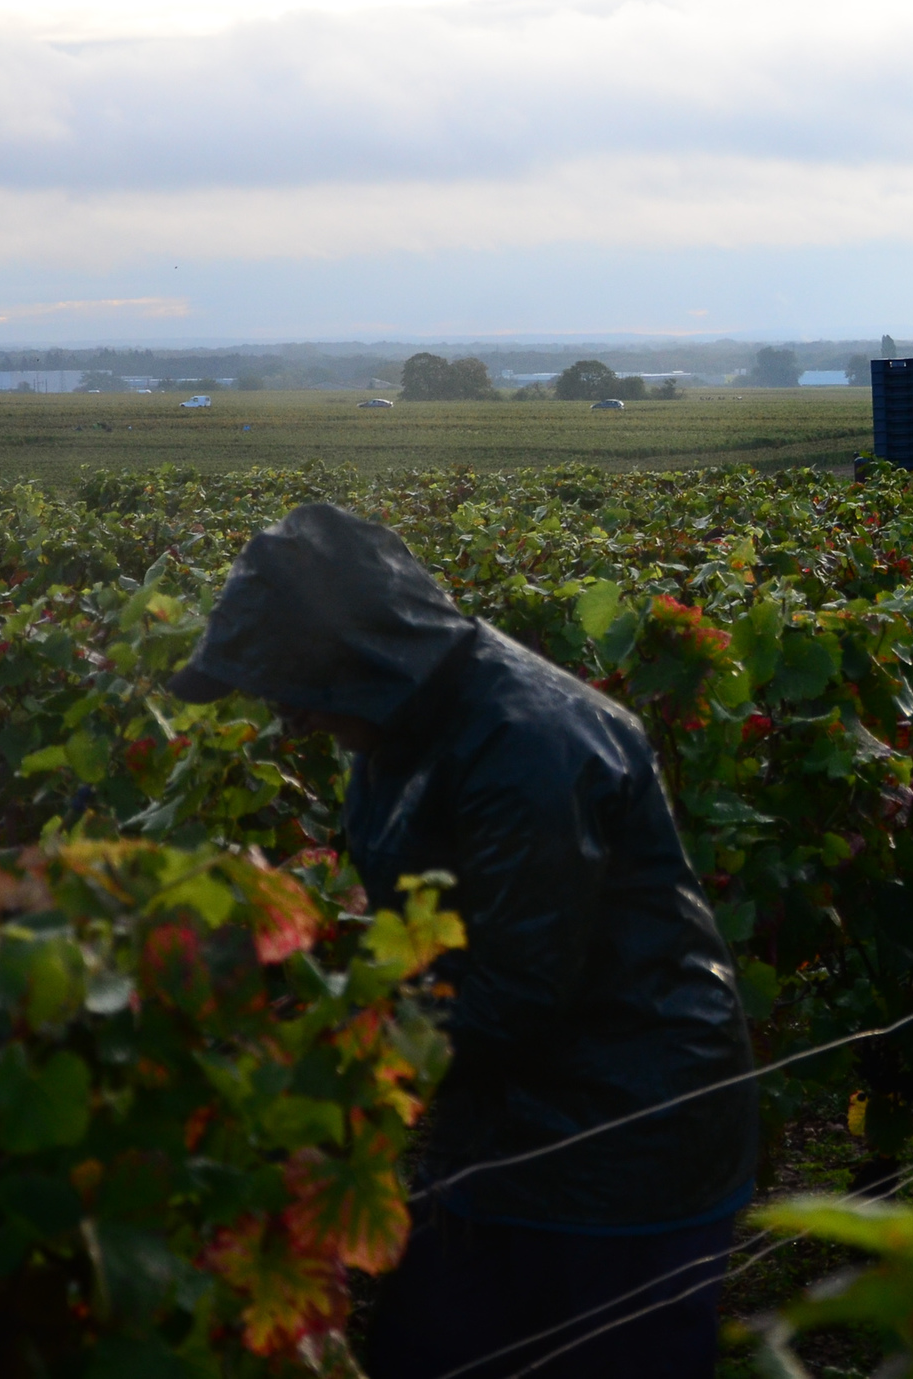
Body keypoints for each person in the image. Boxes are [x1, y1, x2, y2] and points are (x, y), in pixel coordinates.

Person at [166, 504, 755, 1379]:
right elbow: (425, 941)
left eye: (292, 690)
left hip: (628, 1134)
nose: (288, 722)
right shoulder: (404, 725)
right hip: (509, 1114)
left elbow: (515, 991)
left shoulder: (528, 746)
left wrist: (321, 1073)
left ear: (354, 661)